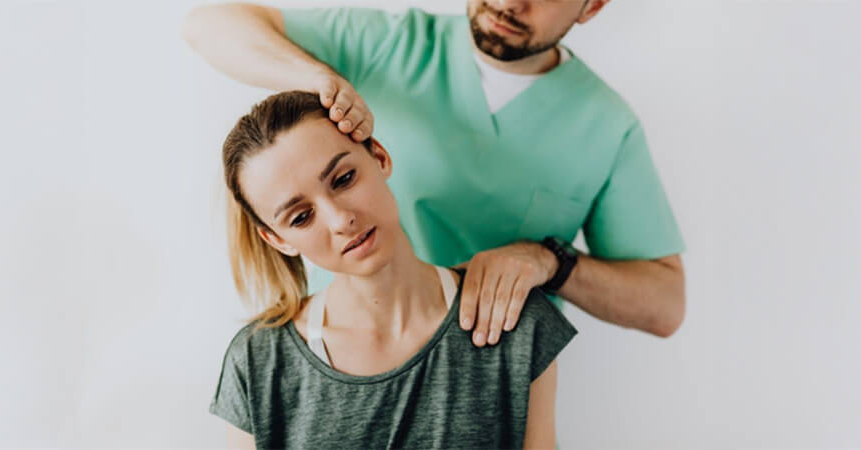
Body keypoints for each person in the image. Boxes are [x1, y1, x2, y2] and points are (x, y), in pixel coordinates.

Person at [184, 0, 686, 347]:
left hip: (486, 378)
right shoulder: (391, 45)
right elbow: (209, 23)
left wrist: (550, 260)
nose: (508, 2)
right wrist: (318, 80)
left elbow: (665, 305)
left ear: (592, 6)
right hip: (348, 353)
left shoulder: (606, 126)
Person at [211, 90, 577, 448]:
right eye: (302, 217)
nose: (341, 220)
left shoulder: (514, 321)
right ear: (278, 240)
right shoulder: (258, 362)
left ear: (380, 156)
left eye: (343, 180)